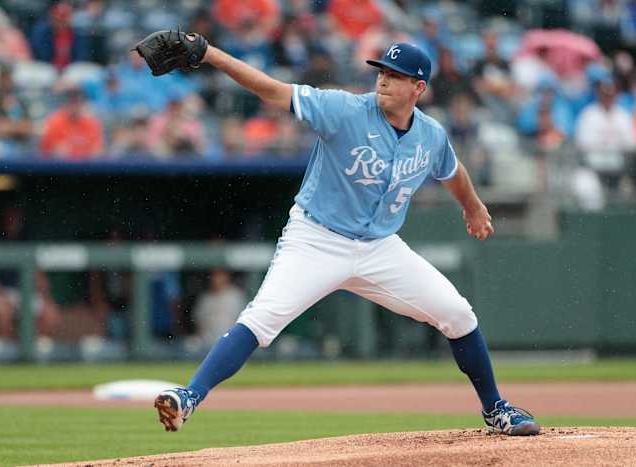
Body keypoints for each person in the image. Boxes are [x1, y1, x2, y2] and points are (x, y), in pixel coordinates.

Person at [148, 34, 541, 436]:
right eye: (382, 72)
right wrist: (210, 54)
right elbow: (272, 90)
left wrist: (472, 207)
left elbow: (452, 171)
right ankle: (190, 396)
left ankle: (496, 409)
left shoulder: (430, 135)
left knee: (458, 314)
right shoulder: (343, 109)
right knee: (262, 320)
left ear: (418, 87)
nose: (384, 81)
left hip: (380, 248)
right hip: (316, 239)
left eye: (396, 75)